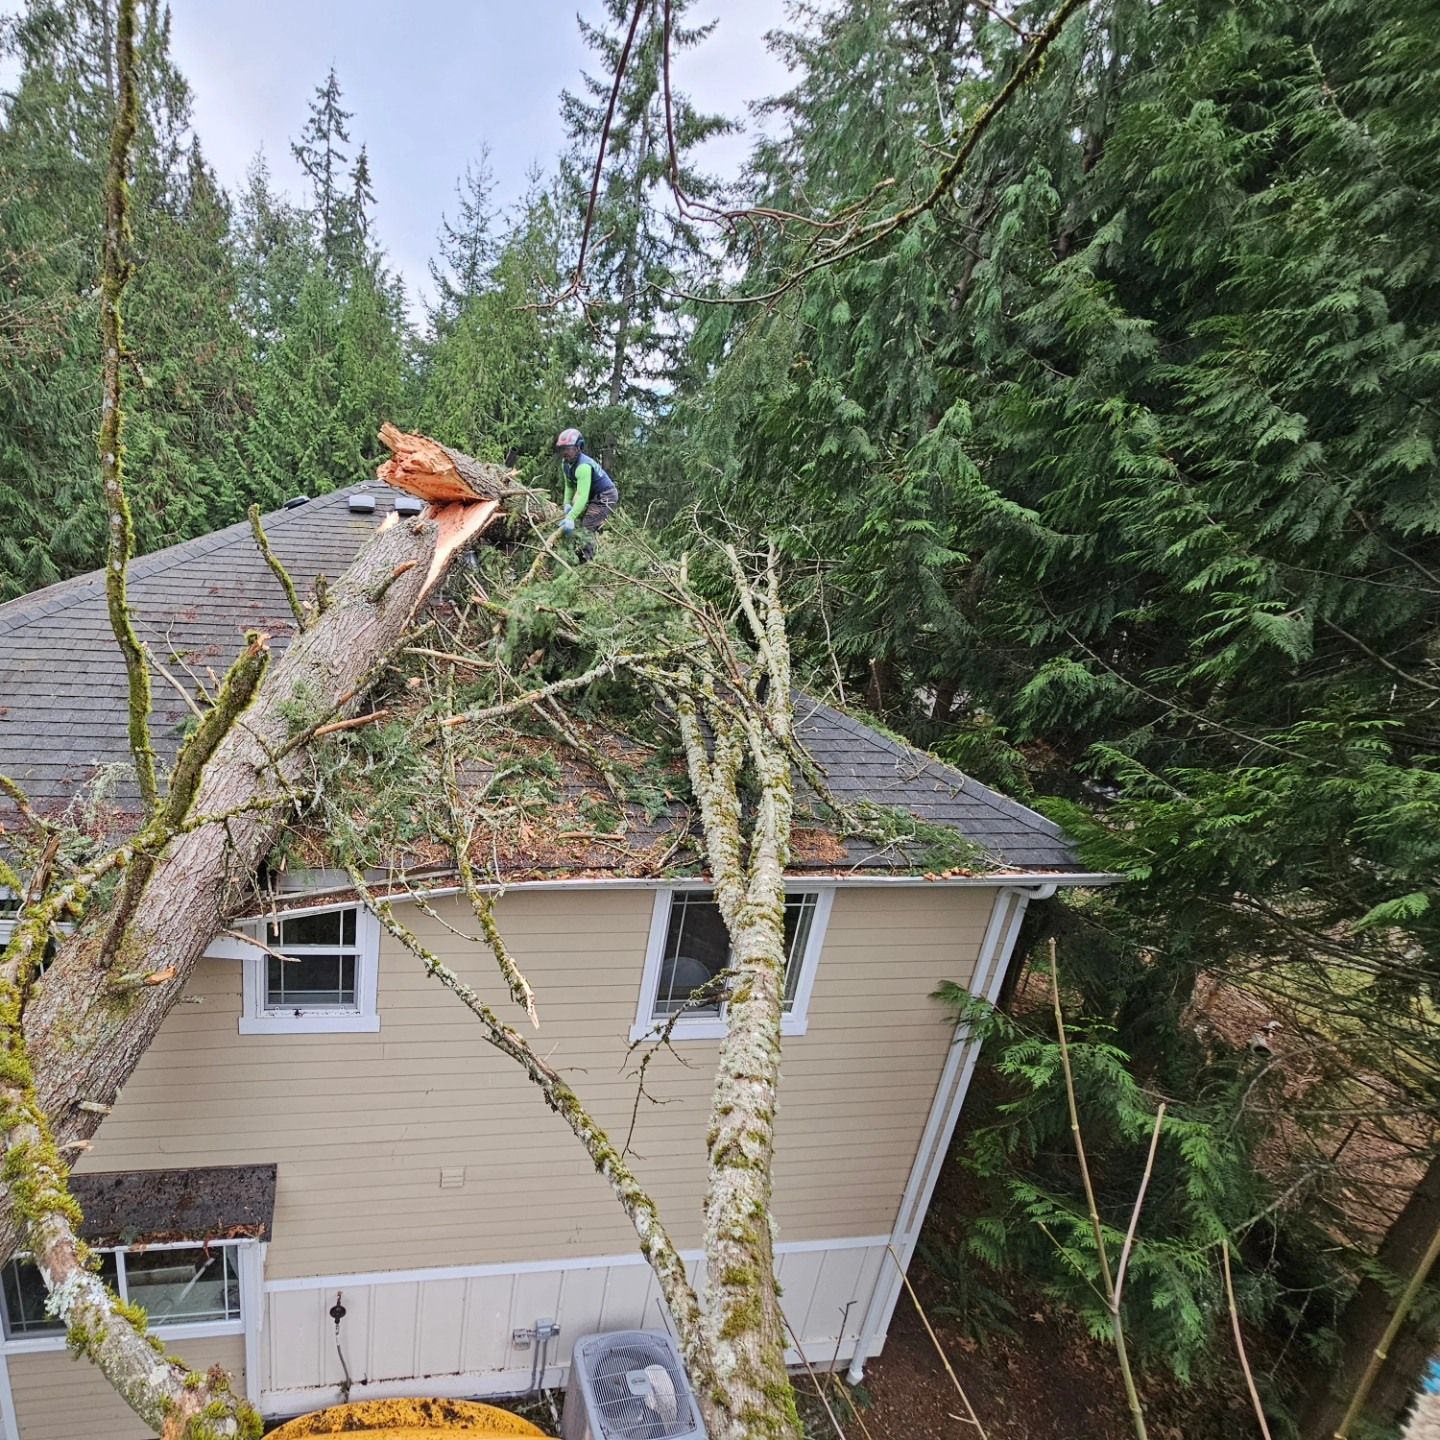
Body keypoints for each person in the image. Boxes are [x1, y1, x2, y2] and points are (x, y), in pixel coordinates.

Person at [553, 427, 619, 563]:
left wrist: (570, 517)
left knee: (587, 525)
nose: (565, 453)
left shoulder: (583, 467)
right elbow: (570, 485)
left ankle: (586, 561)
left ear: (578, 447)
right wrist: (566, 504)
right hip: (592, 495)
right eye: (562, 449)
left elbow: (582, 496)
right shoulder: (565, 464)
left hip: (605, 496)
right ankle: (592, 547)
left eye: (569, 448)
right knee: (582, 518)